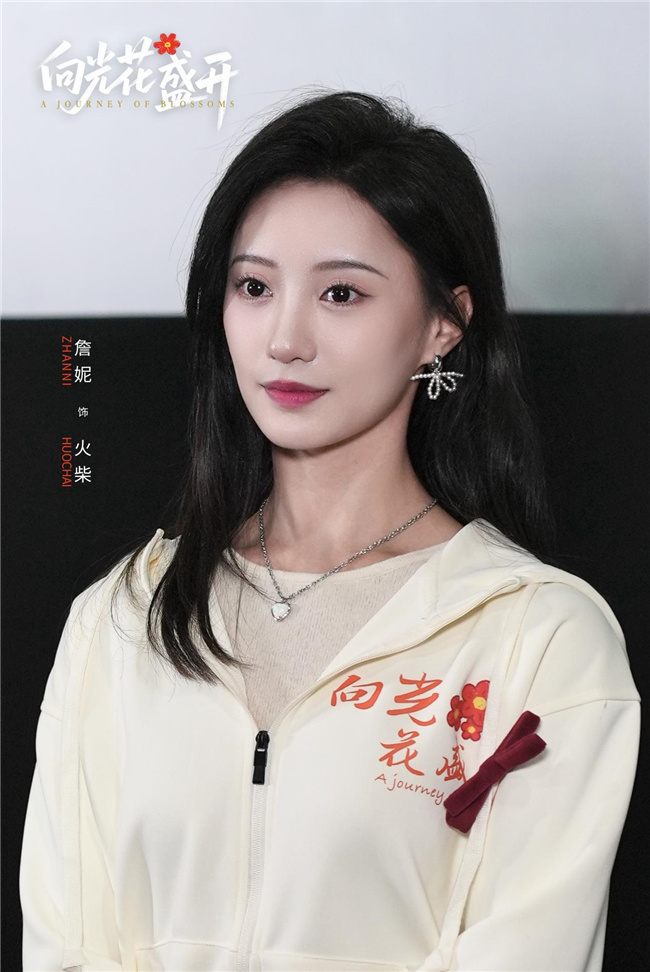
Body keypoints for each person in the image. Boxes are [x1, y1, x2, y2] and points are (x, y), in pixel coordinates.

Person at [20, 89, 640, 972]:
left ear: (442, 325)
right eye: (254, 287)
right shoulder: (119, 620)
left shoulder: (539, 638)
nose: (284, 338)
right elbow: (66, 943)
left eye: (341, 293)